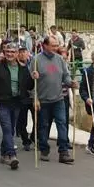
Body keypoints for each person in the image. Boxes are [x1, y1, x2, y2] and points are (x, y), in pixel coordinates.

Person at [0, 43, 34, 170]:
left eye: (12, 52)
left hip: (17, 102)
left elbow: (29, 86)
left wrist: (34, 77)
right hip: (2, 102)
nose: (10, 54)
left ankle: (3, 155)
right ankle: (12, 155)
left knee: (11, 130)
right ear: (4, 53)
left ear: (17, 53)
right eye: (7, 52)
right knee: (6, 127)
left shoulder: (23, 68)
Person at [31, 36, 77, 164]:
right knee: (44, 126)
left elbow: (65, 77)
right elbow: (31, 83)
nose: (56, 48)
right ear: (45, 45)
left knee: (62, 123)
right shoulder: (36, 60)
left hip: (58, 99)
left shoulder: (60, 60)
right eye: (53, 45)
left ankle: (63, 152)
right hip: (43, 100)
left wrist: (71, 83)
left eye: (57, 45)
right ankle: (44, 149)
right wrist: (35, 98)